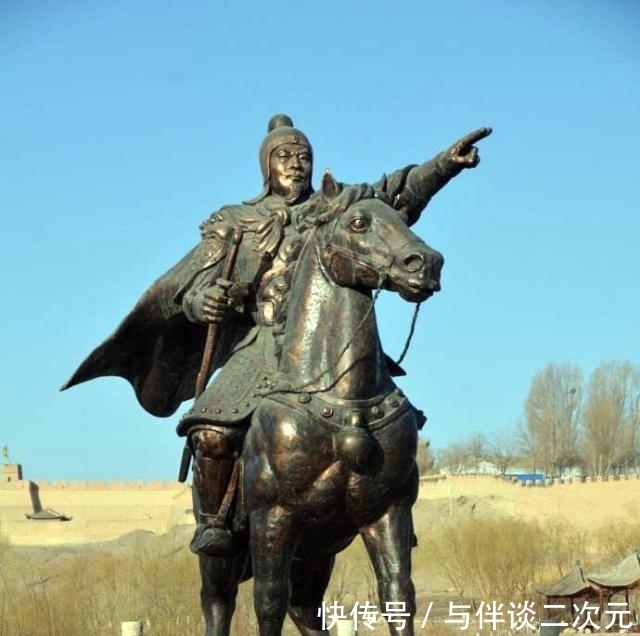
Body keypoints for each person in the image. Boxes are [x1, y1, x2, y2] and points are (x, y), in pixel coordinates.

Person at [62, 114, 491, 556]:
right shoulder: (236, 222)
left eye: (304, 156)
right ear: (266, 164)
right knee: (211, 430)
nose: (296, 163)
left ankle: (391, 503)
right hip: (261, 345)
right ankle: (214, 523)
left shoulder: (337, 207)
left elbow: (396, 192)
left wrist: (445, 165)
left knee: (396, 421)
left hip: (332, 345)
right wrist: (202, 301)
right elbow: (186, 287)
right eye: (284, 155)